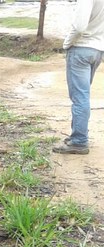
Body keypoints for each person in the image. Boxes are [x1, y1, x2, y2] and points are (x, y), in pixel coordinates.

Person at [54, 0, 104, 155]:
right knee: (83, 95)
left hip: (81, 49)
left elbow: (80, 26)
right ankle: (77, 135)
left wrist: (67, 43)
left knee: (80, 97)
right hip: (97, 50)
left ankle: (79, 140)